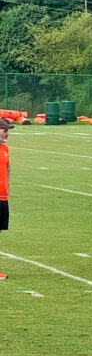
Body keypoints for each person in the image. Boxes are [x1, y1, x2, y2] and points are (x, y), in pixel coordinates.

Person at [0, 118, 12, 280]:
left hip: (2, 198)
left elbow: (8, 169)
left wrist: (6, 189)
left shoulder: (5, 149)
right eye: (4, 130)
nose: (7, 133)